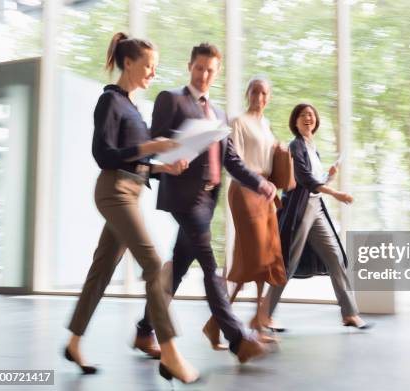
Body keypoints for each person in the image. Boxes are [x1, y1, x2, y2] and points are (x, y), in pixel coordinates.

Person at [64, 32, 198, 384]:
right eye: (148, 65)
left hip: (132, 190)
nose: (153, 73)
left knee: (101, 271)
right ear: (128, 62)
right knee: (155, 266)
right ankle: (169, 353)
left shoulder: (133, 108)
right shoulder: (109, 102)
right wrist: (150, 146)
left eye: (155, 67)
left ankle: (74, 342)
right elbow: (104, 156)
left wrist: (161, 166)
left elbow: (135, 160)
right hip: (114, 193)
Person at [133, 43, 277, 363]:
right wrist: (168, 161)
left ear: (218, 71)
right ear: (190, 67)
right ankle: (237, 338)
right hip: (184, 197)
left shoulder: (219, 113)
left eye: (210, 69)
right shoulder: (171, 99)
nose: (204, 74)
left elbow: (233, 161)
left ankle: (144, 329)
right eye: (199, 68)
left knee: (178, 268)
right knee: (211, 266)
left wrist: (260, 183)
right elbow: (152, 145)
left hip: (208, 198)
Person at [261, 103, 372, 331]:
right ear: (295, 121)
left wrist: (329, 178)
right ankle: (265, 315)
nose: (307, 118)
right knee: (288, 263)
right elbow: (306, 181)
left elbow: (316, 181)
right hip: (300, 210)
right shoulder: (295, 146)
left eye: (311, 115)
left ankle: (349, 313)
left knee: (335, 257)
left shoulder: (312, 147)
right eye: (303, 115)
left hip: (316, 208)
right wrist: (337, 193)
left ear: (316, 121)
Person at [203, 77, 286, 340]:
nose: (259, 97)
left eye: (264, 93)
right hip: (245, 189)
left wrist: (279, 152)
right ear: (247, 93)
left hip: (265, 191)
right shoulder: (238, 121)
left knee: (267, 255)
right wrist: (258, 182)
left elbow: (267, 159)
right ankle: (219, 319)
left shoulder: (266, 125)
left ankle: (257, 319)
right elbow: (235, 160)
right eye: (254, 92)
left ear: (268, 97)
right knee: (252, 256)